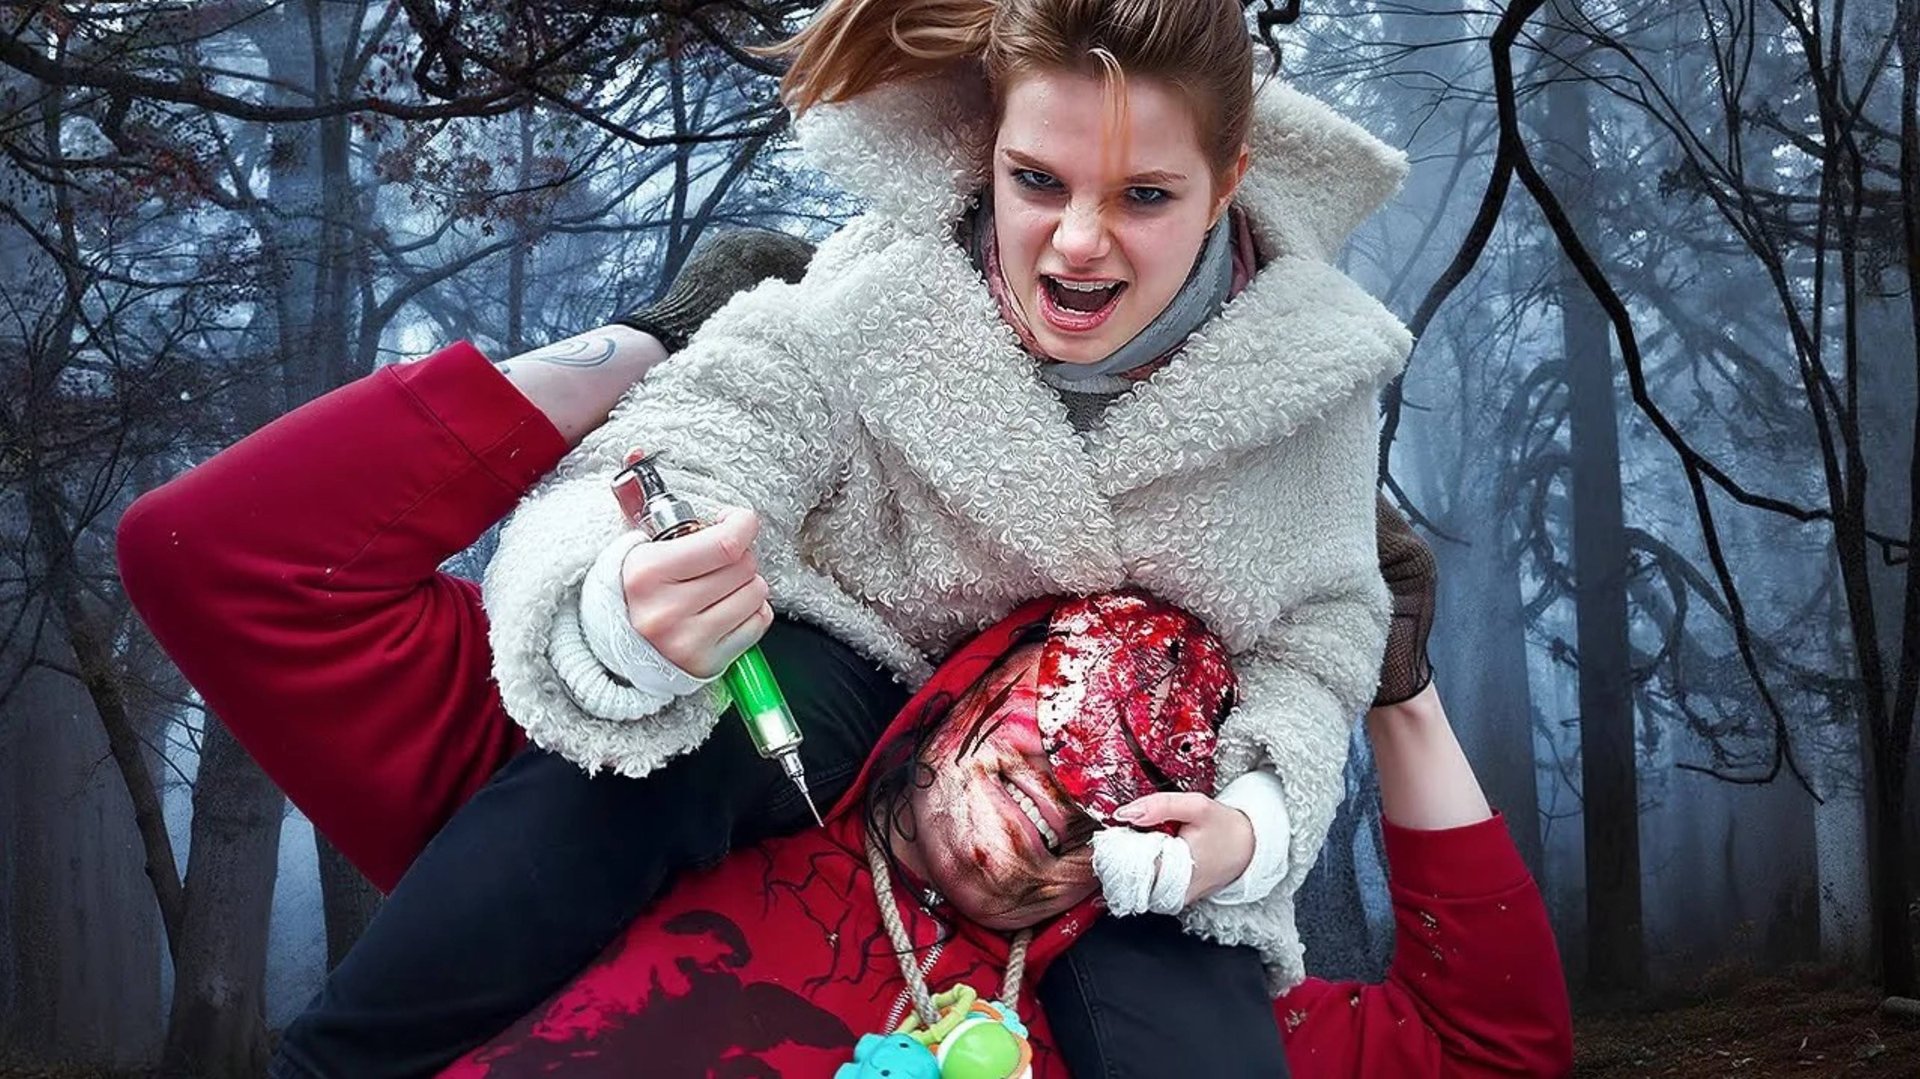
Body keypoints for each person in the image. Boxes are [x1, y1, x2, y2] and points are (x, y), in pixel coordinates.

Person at [116, 333, 1573, 1077]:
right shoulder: (614, 795)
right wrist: (657, 344)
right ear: (960, 677)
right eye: (1061, 708)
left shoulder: (1137, 1026)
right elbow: (223, 557)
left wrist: (1396, 686)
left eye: (1143, 773)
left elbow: (1494, 1050)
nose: (1083, 776)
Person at [408, 0, 1411, 1070]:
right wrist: (625, 603)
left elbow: (1322, 636)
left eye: (1147, 195)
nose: (1078, 242)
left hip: (1119, 817)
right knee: (653, 757)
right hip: (843, 699)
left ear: (1228, 178)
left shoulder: (1314, 385)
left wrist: (1252, 822)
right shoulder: (876, 293)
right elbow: (690, 440)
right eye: (1038, 180)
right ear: (990, 150)